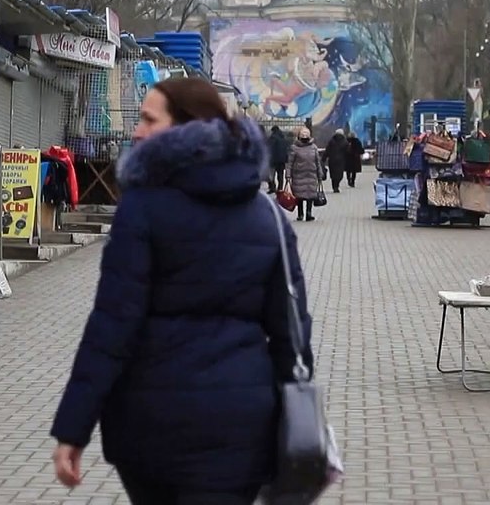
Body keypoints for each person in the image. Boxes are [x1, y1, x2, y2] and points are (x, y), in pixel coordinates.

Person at [49, 76, 314, 504]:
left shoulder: (142, 208)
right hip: (240, 427)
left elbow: (112, 327)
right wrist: (292, 419)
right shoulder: (268, 216)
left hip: (151, 429)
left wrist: (73, 427)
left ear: (188, 127)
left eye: (148, 119)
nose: (137, 130)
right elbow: (292, 334)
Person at [288, 127, 323, 221]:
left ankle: (308, 213)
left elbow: (317, 162)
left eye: (306, 134)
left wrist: (320, 174)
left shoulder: (313, 147)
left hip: (311, 174)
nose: (304, 136)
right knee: (299, 196)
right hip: (298, 175)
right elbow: (290, 162)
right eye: (302, 135)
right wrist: (288, 175)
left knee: (310, 195)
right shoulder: (294, 148)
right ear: (299, 136)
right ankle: (300, 214)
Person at [267, 125, 290, 193]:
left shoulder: (272, 138)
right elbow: (286, 150)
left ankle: (273, 187)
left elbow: (270, 149)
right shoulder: (283, 138)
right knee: (280, 175)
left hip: (273, 160)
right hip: (282, 160)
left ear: (273, 130)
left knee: (271, 175)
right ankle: (280, 188)